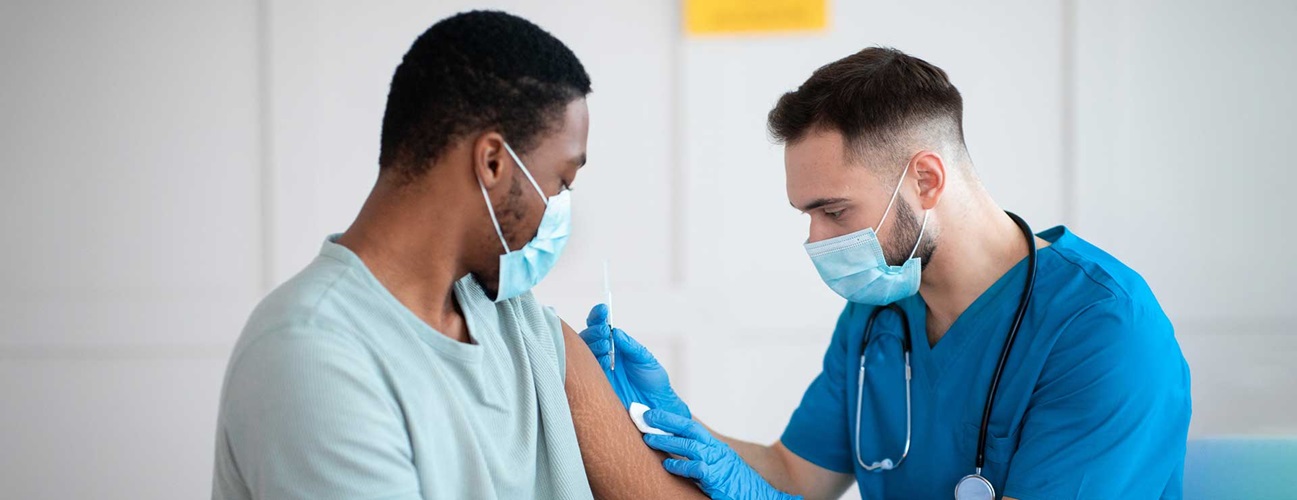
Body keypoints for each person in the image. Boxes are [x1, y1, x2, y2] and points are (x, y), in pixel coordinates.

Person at [581, 47, 1192, 499]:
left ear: (925, 180)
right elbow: (798, 475)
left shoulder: (1104, 331)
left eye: (834, 210)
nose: (815, 239)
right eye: (807, 214)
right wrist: (665, 424)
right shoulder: (880, 311)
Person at [212, 10, 705, 499]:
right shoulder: (314, 357)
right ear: (492, 162)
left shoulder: (516, 317)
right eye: (561, 181)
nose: (561, 209)